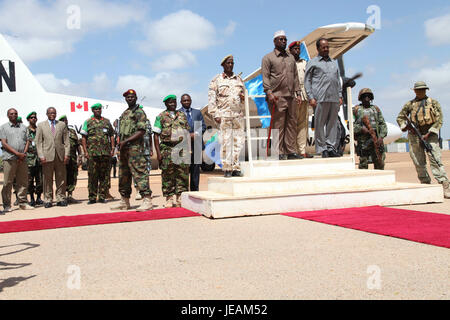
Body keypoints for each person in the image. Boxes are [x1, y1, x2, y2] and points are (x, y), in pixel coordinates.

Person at [396, 81, 450, 198]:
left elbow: (439, 120)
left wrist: (429, 133)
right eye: (418, 89)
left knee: (435, 159)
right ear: (414, 91)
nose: (421, 91)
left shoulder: (434, 103)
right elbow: (400, 117)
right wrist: (405, 127)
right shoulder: (409, 104)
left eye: (423, 89)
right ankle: (425, 184)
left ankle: (444, 185)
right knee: (418, 161)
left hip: (430, 134)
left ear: (426, 90)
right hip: (415, 134)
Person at [262, 30, 303, 160]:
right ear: (274, 41)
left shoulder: (290, 57)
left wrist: (298, 93)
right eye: (281, 39)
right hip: (276, 96)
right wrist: (269, 93)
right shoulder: (268, 58)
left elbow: (295, 76)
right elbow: (265, 77)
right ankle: (278, 152)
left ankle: (290, 151)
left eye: (285, 39)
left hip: (291, 96)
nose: (283, 41)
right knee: (278, 125)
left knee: (291, 124)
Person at [111, 89, 153, 211]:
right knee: (124, 175)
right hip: (124, 150)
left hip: (135, 150)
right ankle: (124, 201)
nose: (130, 98)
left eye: (132, 97)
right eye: (128, 97)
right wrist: (120, 144)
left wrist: (126, 141)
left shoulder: (139, 112)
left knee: (140, 174)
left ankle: (147, 200)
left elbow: (142, 131)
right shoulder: (125, 113)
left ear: (136, 98)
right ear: (125, 99)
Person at [304, 38, 343, 158]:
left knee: (332, 124)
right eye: (323, 47)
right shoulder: (312, 62)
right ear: (318, 49)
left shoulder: (333, 62)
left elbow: (337, 80)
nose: (326, 49)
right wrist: (310, 97)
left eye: (327, 47)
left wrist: (340, 95)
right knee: (320, 125)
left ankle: (331, 147)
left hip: (334, 98)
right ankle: (322, 149)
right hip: (319, 98)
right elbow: (307, 81)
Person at [208, 55, 246, 177]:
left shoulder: (239, 80)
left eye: (232, 63)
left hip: (237, 116)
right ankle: (227, 168)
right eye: (228, 63)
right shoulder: (216, 80)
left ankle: (235, 167)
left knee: (238, 142)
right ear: (223, 65)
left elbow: (244, 98)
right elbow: (211, 99)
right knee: (225, 142)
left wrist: (242, 101)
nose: (230, 65)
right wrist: (215, 114)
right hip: (223, 115)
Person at [153, 95, 190, 207]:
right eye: (170, 102)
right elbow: (155, 136)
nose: (172, 104)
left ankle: (180, 197)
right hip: (167, 148)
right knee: (167, 174)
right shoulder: (161, 117)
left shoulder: (182, 115)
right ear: (166, 104)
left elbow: (187, 133)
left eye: (174, 102)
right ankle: (169, 198)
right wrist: (158, 154)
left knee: (182, 174)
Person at [35, 107, 70, 208]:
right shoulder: (41, 125)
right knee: (47, 179)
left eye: (54, 113)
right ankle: (48, 199)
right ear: (47, 114)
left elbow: (66, 142)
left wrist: (66, 155)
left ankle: (61, 198)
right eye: (50, 113)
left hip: (60, 156)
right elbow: (38, 142)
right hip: (47, 157)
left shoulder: (62, 125)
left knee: (61, 178)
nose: (52, 114)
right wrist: (41, 155)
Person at [0, 108, 34, 212]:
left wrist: (23, 154)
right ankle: (7, 204)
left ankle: (22, 203)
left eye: (15, 113)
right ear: (8, 116)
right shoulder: (3, 128)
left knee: (23, 181)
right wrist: (17, 154)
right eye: (11, 114)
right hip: (9, 158)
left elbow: (28, 141)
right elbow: (4, 143)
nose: (14, 115)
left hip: (22, 159)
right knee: (7, 182)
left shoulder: (23, 127)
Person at [81, 103, 115, 204]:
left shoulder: (106, 122)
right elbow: (83, 138)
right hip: (92, 154)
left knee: (104, 176)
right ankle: (92, 197)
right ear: (92, 111)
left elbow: (111, 135)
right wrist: (85, 151)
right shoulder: (88, 122)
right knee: (92, 176)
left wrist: (112, 148)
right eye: (96, 109)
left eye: (99, 109)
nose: (98, 111)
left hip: (105, 153)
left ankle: (102, 196)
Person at [288, 41, 314, 159]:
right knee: (292, 124)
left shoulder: (304, 63)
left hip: (304, 95)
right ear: (290, 50)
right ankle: (292, 150)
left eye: (299, 49)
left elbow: (309, 79)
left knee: (303, 124)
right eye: (295, 49)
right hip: (292, 96)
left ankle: (302, 150)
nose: (297, 51)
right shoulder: (288, 62)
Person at [353, 88, 387, 170]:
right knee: (363, 164)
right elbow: (350, 125)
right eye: (364, 96)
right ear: (360, 98)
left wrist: (381, 137)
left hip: (376, 140)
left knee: (379, 162)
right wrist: (361, 129)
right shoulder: (356, 110)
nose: (367, 97)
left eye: (368, 96)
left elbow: (382, 124)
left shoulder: (376, 109)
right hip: (363, 142)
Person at [178, 93, 206, 191]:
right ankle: (184, 192)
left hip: (196, 145)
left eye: (188, 100)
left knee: (195, 170)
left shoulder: (197, 113)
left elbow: (203, 126)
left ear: (191, 101)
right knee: (183, 170)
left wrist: (196, 134)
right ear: (181, 102)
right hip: (183, 146)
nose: (186, 102)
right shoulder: (178, 113)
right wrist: (187, 136)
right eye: (184, 101)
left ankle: (195, 191)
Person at [59, 115, 82, 203]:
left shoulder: (72, 131)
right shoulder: (58, 132)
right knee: (62, 177)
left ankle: (70, 195)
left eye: (66, 120)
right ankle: (62, 196)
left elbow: (77, 145)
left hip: (72, 158)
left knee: (72, 176)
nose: (65, 122)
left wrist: (80, 156)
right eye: (63, 120)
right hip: (62, 159)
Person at [25, 111, 43, 206]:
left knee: (40, 180)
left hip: (40, 159)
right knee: (30, 181)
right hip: (29, 159)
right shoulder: (25, 130)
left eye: (35, 117)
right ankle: (31, 198)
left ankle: (39, 198)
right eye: (31, 117)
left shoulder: (39, 130)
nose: (33, 119)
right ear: (28, 120)